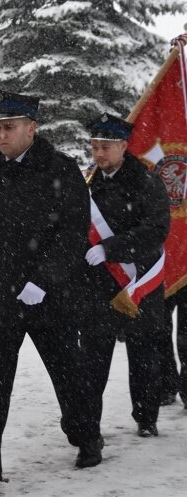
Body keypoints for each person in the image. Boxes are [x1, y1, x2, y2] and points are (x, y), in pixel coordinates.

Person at [0, 92, 96, 483]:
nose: (1, 135)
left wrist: (44, 281)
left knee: (67, 372)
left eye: (8, 127)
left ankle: (87, 435)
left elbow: (72, 235)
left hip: (49, 298)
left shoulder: (61, 169)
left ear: (32, 128)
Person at [80, 113, 170, 441]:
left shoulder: (146, 181)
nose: (98, 153)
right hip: (98, 288)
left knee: (144, 357)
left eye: (105, 147)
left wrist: (111, 249)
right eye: (94, 147)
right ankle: (89, 426)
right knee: (92, 361)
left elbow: (155, 230)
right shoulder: (88, 184)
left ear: (123, 146)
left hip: (139, 283)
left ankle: (146, 417)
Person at [158, 288, 187, 408]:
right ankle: (167, 385)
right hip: (166, 275)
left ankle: (168, 386)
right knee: (160, 329)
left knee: (163, 330)